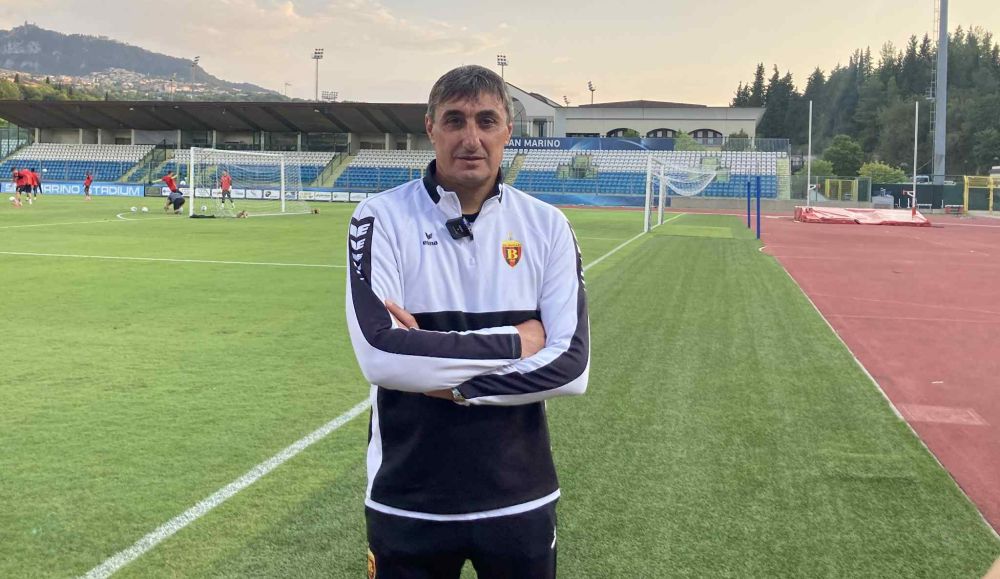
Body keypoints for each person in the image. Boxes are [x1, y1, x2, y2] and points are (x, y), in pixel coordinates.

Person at [346, 64, 589, 579]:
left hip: (519, 497)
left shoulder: (548, 226)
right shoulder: (380, 217)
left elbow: (570, 367)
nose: (471, 138)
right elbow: (381, 355)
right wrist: (518, 341)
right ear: (430, 128)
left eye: (486, 121)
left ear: (508, 131)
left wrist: (447, 381)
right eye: (455, 120)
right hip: (407, 498)